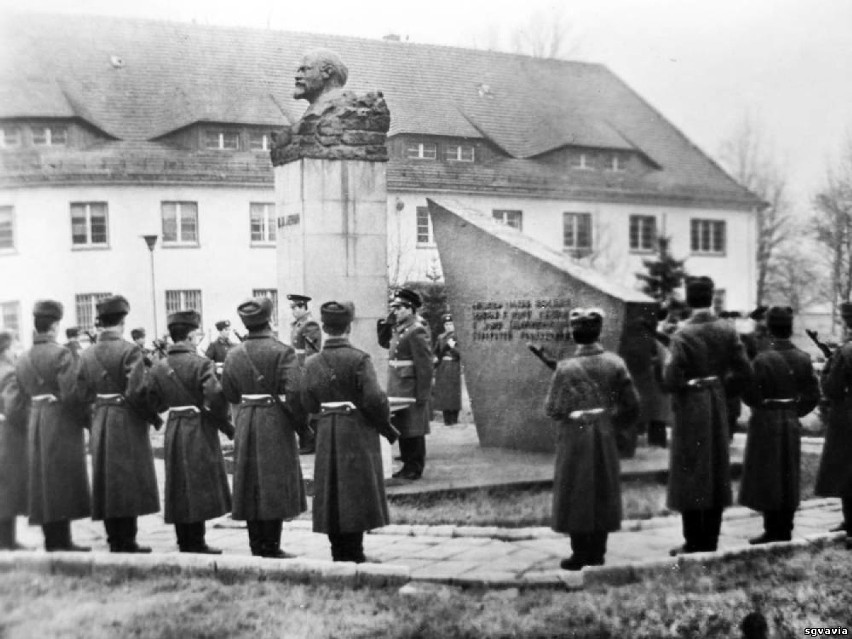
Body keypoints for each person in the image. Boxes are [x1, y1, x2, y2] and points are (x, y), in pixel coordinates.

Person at [301, 301, 397, 562]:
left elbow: (307, 402)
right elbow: (375, 399)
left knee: (331, 490)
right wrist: (384, 423)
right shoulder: (359, 359)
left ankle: (338, 552)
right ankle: (355, 553)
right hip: (355, 429)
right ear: (349, 327)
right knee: (354, 490)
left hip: (326, 429)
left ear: (324, 326)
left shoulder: (311, 362)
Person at [545, 307, 640, 570]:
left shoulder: (565, 368)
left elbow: (552, 408)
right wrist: (611, 425)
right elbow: (632, 405)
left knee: (575, 491)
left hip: (574, 438)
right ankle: (598, 553)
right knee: (603, 490)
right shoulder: (615, 363)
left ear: (574, 335)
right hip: (604, 435)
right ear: (599, 332)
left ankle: (579, 554)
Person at [663, 276, 752, 555]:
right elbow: (745, 371)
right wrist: (723, 391)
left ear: (689, 299)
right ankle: (710, 540)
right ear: (711, 298)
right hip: (717, 403)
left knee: (690, 469)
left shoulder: (682, 334)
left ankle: (693, 541)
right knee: (715, 467)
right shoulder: (727, 329)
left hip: (690, 406)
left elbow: (671, 378)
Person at [222, 296, 307, 558]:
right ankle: (271, 545)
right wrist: (300, 423)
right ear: (268, 320)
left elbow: (229, 391)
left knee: (249, 480)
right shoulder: (283, 351)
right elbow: (294, 391)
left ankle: (255, 544)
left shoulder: (233, 353)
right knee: (273, 480)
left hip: (246, 419)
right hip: (274, 419)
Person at [3, 301, 91, 551]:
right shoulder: (62, 354)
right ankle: (62, 541)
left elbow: (16, 402)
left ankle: (51, 539)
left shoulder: (23, 358)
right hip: (60, 421)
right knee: (62, 480)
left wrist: (32, 417)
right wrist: (85, 418)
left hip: (35, 421)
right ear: (54, 326)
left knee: (42, 481)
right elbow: (72, 393)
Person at [76, 295, 160, 553]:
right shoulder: (129, 350)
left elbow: (79, 394)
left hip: (101, 417)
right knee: (128, 478)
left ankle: (114, 539)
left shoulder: (86, 353)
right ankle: (128, 539)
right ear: (123, 321)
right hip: (126, 419)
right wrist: (152, 417)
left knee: (107, 479)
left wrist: (93, 420)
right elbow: (136, 391)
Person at [147, 310, 234, 554]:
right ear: (190, 335)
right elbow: (215, 397)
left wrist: (165, 409)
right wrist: (225, 422)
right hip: (198, 427)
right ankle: (197, 541)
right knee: (197, 482)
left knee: (178, 483)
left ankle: (184, 540)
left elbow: (152, 400)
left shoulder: (159, 366)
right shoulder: (201, 363)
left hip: (174, 427)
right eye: (196, 333)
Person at [739, 306, 819, 544]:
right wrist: (794, 411)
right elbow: (813, 395)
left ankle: (772, 529)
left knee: (768, 474)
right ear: (790, 328)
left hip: (766, 418)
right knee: (788, 474)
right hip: (790, 419)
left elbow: (749, 393)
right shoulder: (803, 358)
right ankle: (785, 528)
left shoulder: (761, 359)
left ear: (770, 328)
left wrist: (762, 406)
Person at [382, 288, 433, 481]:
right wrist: (388, 322)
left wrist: (423, 394)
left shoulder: (416, 330)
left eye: (400, 308)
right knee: (403, 426)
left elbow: (425, 365)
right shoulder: (401, 328)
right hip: (398, 384)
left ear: (410, 309)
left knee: (414, 428)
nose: (395, 311)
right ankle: (407, 465)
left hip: (410, 387)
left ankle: (415, 467)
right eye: (394, 307)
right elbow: (384, 342)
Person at [814, 301, 852, 547]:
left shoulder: (846, 351)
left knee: (847, 468)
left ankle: (850, 523)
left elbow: (831, 388)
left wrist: (827, 368)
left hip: (848, 415)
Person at [0, 330, 28, 549]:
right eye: (14, 348)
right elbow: (14, 409)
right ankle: (7, 542)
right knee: (9, 487)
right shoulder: (9, 373)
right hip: (7, 437)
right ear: (6, 350)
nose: (16, 352)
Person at [288, 293, 322, 454]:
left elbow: (312, 351)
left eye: (296, 307)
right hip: (297, 369)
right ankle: (305, 440)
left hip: (304, 370)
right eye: (292, 308)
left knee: (304, 407)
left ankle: (310, 441)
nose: (293, 311)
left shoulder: (310, 324)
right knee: (296, 406)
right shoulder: (298, 324)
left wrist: (306, 371)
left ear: (304, 307)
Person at [293, 48, 349, 116]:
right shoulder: (315, 113)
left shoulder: (343, 112)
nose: (297, 76)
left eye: (304, 70)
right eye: (298, 71)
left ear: (327, 72)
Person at [432, 313, 462, 426]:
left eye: (451, 324)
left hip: (453, 365)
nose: (449, 326)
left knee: (454, 393)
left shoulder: (457, 336)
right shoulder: (440, 337)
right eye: (446, 324)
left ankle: (454, 418)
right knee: (444, 393)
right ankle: (447, 419)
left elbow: (460, 354)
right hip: (443, 367)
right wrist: (435, 358)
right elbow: (436, 351)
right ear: (444, 326)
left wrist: (452, 347)